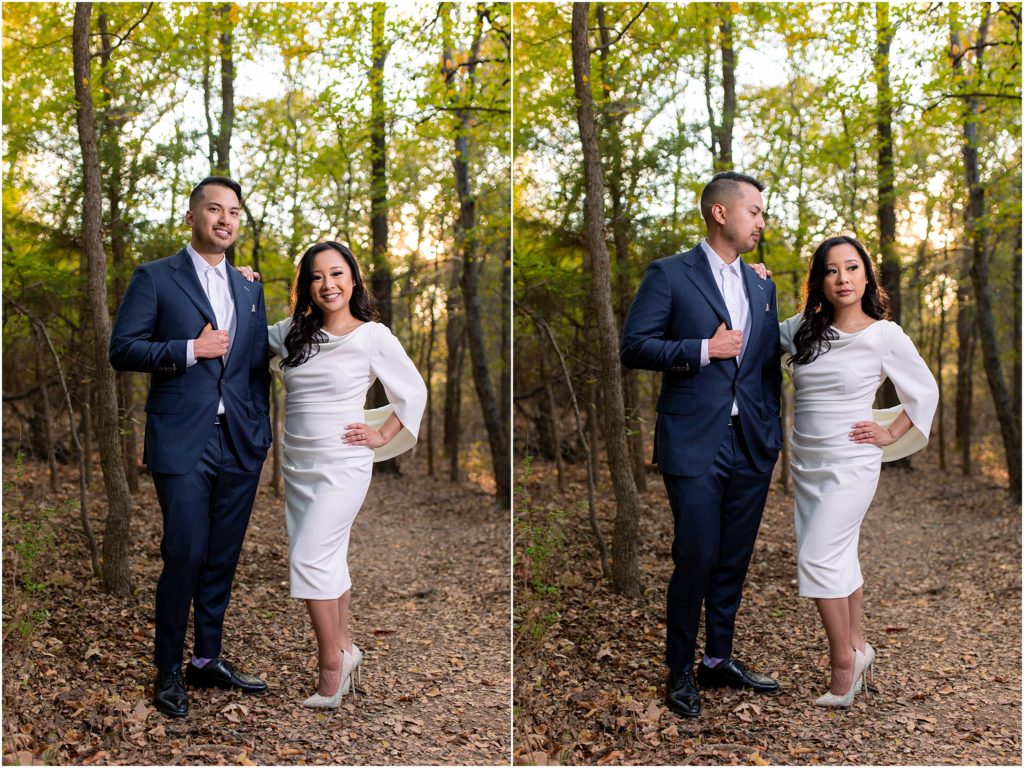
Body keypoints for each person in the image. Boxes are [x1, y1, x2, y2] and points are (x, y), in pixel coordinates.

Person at [620, 171, 783, 719]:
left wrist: (771, 433)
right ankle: (680, 670)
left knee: (733, 559)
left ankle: (718, 661)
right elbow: (634, 347)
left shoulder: (762, 285)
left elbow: (763, 371)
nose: (762, 220)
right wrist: (702, 349)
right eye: (755, 211)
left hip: (751, 443)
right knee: (697, 556)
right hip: (693, 441)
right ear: (721, 214)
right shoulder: (669, 274)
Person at [109, 176, 272, 719]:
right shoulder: (155, 277)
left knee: (222, 557)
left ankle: (206, 660)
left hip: (239, 443)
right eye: (213, 209)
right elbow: (123, 349)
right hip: (182, 441)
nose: (224, 219)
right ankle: (169, 670)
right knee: (186, 554)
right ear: (191, 216)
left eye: (232, 212)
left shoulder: (249, 286)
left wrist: (260, 431)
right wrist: (188, 349)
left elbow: (252, 369)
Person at [253, 242, 426, 708]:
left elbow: (413, 388)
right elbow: (246, 331)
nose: (327, 284)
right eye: (316, 276)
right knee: (329, 558)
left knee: (309, 557)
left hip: (343, 462)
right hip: (298, 463)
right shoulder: (292, 332)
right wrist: (243, 282)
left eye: (336, 274)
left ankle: (330, 663)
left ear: (353, 280)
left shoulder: (373, 336)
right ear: (306, 285)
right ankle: (346, 648)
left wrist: (383, 432)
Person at [774, 235, 938, 707]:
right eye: (830, 270)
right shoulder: (802, 328)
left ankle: (842, 664)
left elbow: (923, 392)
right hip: (807, 459)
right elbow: (755, 328)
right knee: (838, 554)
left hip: (851, 462)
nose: (841, 278)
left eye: (851, 268)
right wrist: (754, 278)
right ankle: (860, 646)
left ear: (866, 275)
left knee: (818, 557)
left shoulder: (885, 335)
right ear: (820, 280)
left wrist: (891, 433)